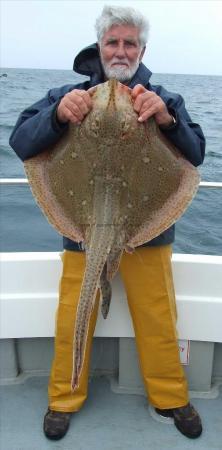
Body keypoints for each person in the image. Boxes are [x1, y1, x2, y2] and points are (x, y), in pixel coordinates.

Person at [9, 5, 205, 441]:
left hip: (148, 232)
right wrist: (59, 114)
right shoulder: (67, 94)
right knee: (70, 316)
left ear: (142, 49)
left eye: (129, 43)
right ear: (100, 48)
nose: (121, 50)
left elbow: (195, 154)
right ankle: (63, 398)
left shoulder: (165, 100)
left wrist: (167, 121)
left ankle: (171, 397)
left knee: (157, 316)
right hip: (82, 230)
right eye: (112, 42)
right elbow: (21, 141)